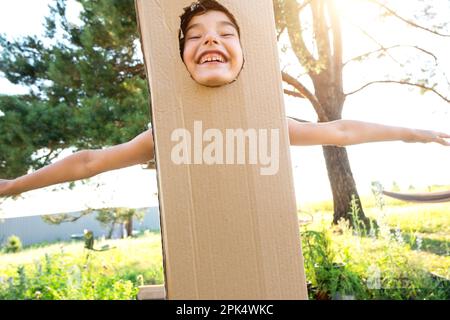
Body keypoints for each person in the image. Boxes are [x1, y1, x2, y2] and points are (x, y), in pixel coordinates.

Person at [0, 0, 449, 198]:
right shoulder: (164, 135)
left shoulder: (270, 126)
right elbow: (88, 162)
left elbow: (341, 130)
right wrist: (12, 186)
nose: (210, 40)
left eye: (225, 33)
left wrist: (418, 132)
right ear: (180, 59)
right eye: (194, 37)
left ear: (244, 55)